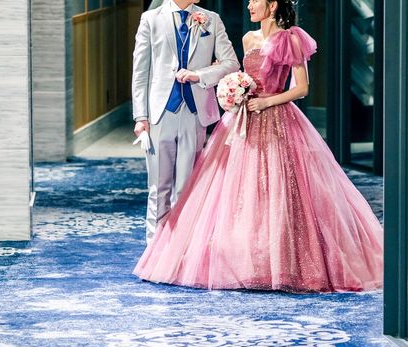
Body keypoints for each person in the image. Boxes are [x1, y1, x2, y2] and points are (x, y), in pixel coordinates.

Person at [133, 0, 384, 293]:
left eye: (255, 0)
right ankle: (229, 257)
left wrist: (267, 101)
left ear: (272, 4)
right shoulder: (248, 38)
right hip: (243, 119)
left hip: (277, 117)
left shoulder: (291, 38)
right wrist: (235, 92)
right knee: (237, 192)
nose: (249, 5)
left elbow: (302, 88)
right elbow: (240, 74)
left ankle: (279, 258)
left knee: (277, 187)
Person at [131, 0, 240, 242]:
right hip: (159, 113)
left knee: (187, 187)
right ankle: (154, 248)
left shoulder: (211, 19)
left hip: (194, 113)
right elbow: (140, 71)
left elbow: (232, 63)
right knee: (158, 187)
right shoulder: (151, 19)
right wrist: (141, 116)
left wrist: (199, 75)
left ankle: (181, 248)